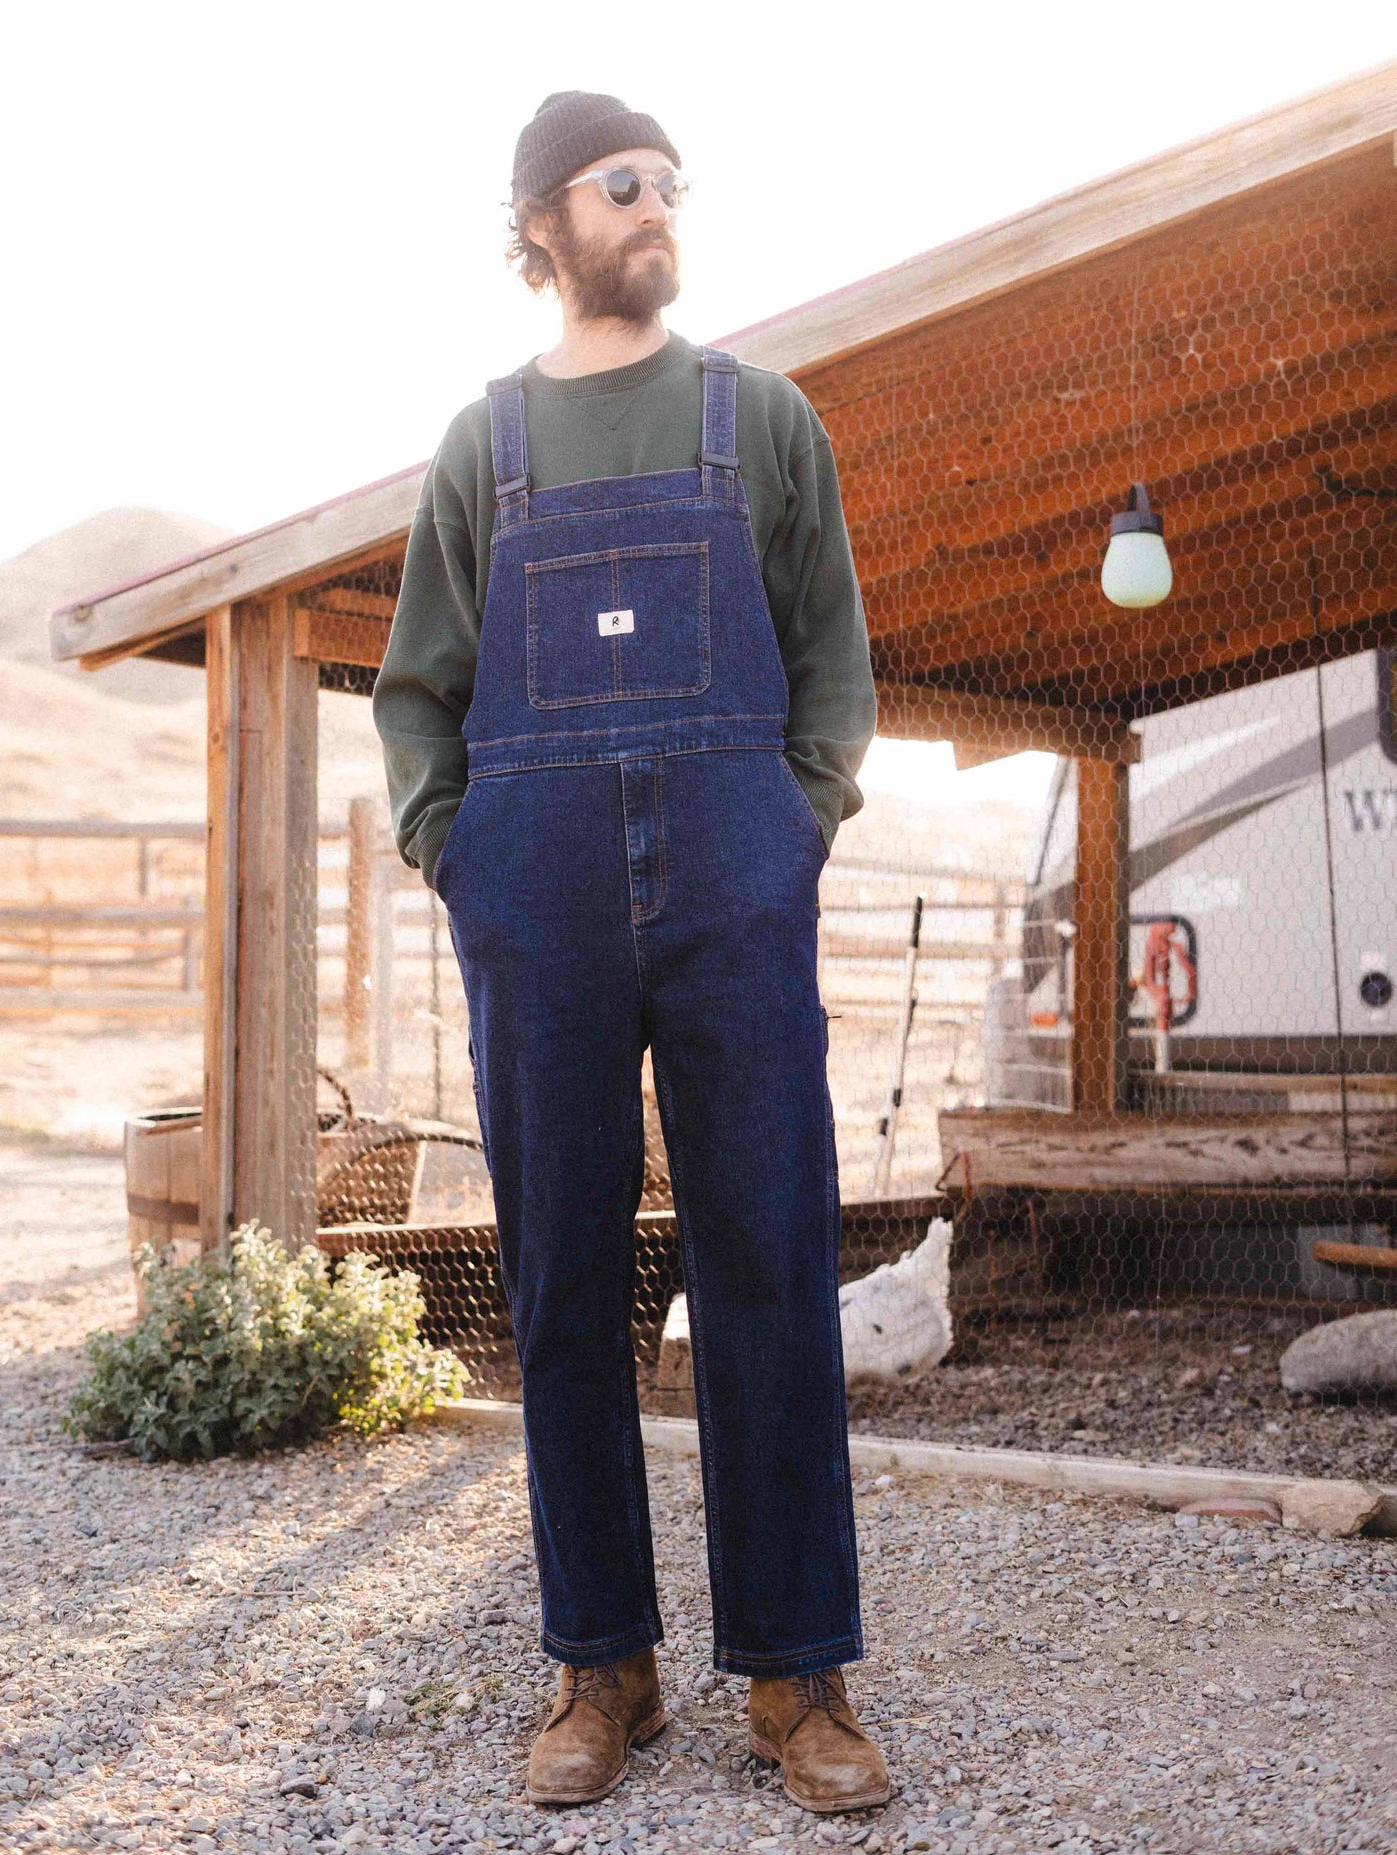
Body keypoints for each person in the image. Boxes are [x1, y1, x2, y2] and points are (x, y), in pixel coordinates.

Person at [372, 90, 887, 1817]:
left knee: (767, 1256)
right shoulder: (484, 444)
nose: (655, 205)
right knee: (564, 1276)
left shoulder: (766, 420)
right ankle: (606, 1666)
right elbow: (419, 692)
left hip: (737, 883)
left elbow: (830, 653)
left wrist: (792, 824)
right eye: (623, 184)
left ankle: (797, 1677)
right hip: (540, 898)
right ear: (544, 227)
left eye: (671, 183)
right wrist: (465, 858)